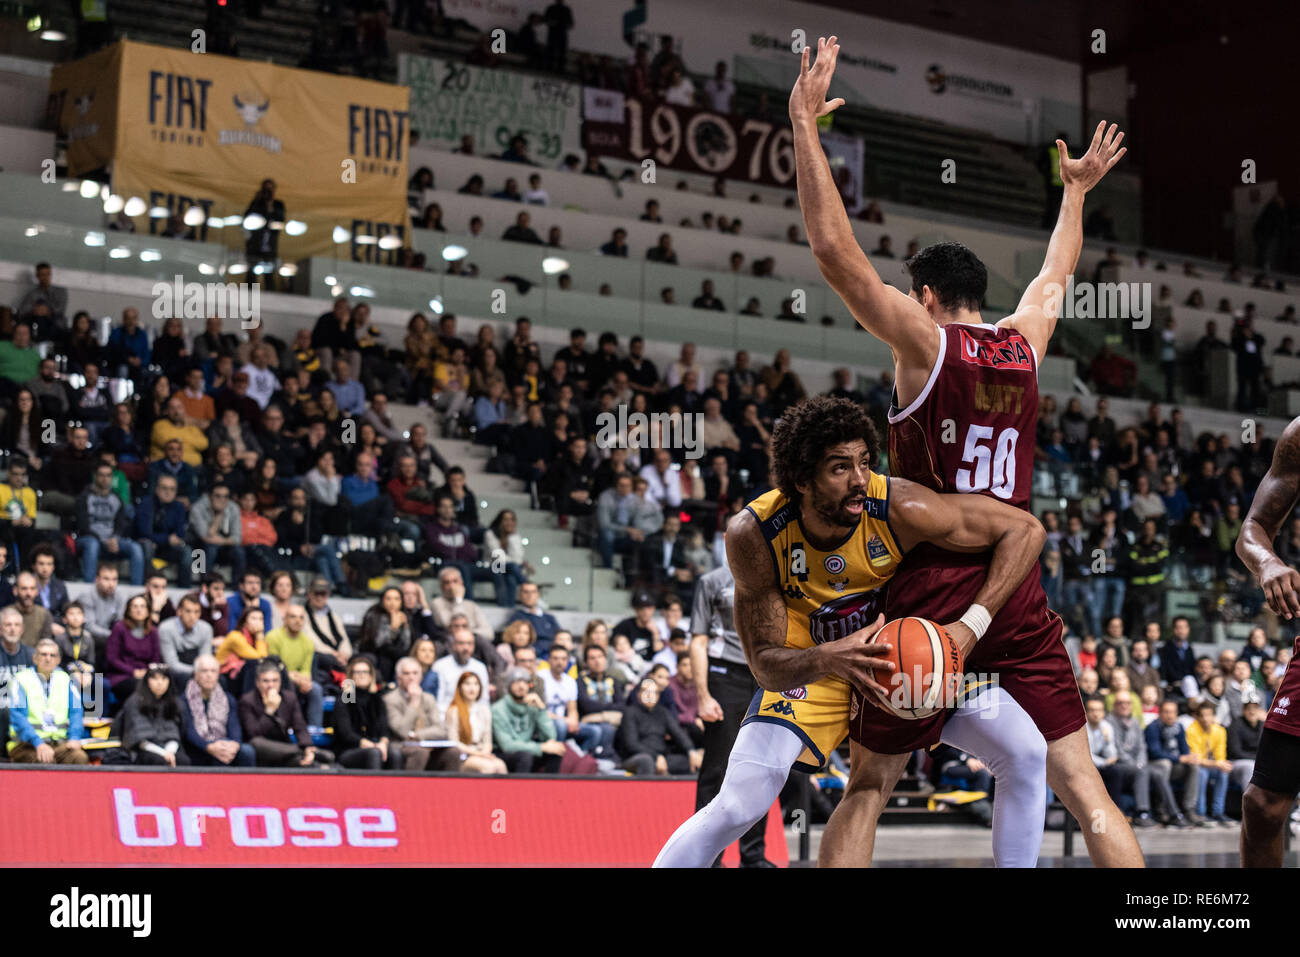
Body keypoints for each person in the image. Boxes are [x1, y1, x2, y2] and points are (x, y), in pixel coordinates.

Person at [790, 40, 1138, 868]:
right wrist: (1076, 194)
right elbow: (1056, 272)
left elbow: (837, 255)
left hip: (931, 580)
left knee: (870, 782)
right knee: (1083, 785)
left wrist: (805, 127)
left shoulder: (922, 340)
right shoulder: (1024, 341)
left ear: (927, 297)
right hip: (1015, 581)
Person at [654, 397, 1047, 869]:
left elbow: (1026, 530)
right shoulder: (754, 532)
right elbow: (763, 665)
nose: (859, 478)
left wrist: (970, 626)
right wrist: (827, 657)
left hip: (902, 662)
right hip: (811, 670)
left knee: (1026, 752)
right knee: (738, 804)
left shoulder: (898, 504)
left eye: (863, 462)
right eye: (840, 468)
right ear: (802, 479)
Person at [6, 637, 87, 764]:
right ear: (35, 658)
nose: (48, 658)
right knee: (44, 761)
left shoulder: (66, 679)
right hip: (27, 744)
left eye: (52, 655)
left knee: (79, 757)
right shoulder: (20, 679)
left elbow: (76, 712)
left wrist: (74, 737)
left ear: (58, 660)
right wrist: (38, 743)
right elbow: (18, 716)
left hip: (59, 744)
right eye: (43, 654)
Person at [238, 659, 333, 767]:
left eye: (275, 681)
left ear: (280, 682)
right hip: (262, 750)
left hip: (285, 749)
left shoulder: (289, 698)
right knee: (256, 743)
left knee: (304, 762)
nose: (271, 685)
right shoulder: (247, 701)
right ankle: (304, 752)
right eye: (266, 681)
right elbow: (253, 733)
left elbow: (300, 727)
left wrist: (307, 747)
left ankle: (308, 756)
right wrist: (269, 711)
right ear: (257, 683)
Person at [385, 656, 460, 772]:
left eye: (415, 673)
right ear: (399, 678)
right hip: (402, 746)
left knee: (453, 752)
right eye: (406, 674)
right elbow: (402, 731)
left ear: (420, 677)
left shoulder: (428, 698)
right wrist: (414, 704)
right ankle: (410, 788)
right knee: (420, 752)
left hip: (428, 743)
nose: (411, 677)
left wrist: (417, 735)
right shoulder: (390, 699)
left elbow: (441, 729)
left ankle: (450, 789)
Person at [180, 654, 254, 767]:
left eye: (213, 671)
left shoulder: (227, 699)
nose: (209, 675)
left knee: (247, 751)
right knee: (220, 754)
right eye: (204, 671)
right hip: (199, 747)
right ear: (196, 675)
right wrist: (208, 747)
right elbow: (189, 732)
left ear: (218, 675)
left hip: (223, 743)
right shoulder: (185, 699)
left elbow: (234, 726)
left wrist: (235, 744)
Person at [76, 462, 145, 585]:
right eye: (101, 475)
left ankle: (136, 589)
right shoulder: (84, 497)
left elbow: (120, 525)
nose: (105, 479)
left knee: (135, 548)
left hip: (111, 540)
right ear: (95, 476)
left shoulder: (117, 499)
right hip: (89, 539)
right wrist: (103, 540)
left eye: (108, 475)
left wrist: (115, 538)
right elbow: (83, 527)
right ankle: (88, 585)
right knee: (93, 544)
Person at [620, 677, 701, 775]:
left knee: (693, 761)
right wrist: (655, 756)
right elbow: (631, 744)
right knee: (646, 760)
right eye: (646, 691)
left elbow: (678, 733)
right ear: (638, 694)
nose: (650, 695)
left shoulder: (663, 712)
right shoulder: (630, 712)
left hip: (663, 757)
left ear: (658, 695)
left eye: (654, 692)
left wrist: (691, 750)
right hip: (635, 757)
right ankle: (646, 790)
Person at [332, 655, 402, 770]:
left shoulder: (377, 699)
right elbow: (346, 734)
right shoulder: (345, 699)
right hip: (349, 749)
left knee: (395, 754)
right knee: (374, 753)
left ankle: (397, 788)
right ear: (351, 676)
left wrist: (383, 743)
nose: (362, 675)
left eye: (365, 672)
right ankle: (374, 788)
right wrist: (372, 745)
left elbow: (384, 730)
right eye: (357, 672)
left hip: (375, 747)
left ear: (371, 676)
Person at [492, 667, 566, 773]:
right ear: (509, 685)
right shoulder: (498, 709)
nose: (521, 686)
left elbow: (550, 737)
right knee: (524, 757)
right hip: (504, 753)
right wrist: (540, 747)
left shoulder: (533, 705)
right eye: (516, 682)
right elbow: (507, 745)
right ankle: (520, 789)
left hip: (527, 749)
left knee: (555, 751)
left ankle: (550, 788)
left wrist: (541, 710)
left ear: (529, 685)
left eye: (524, 682)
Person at [265, 603, 323, 728]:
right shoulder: (273, 637)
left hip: (298, 681)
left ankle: (314, 730)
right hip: (278, 681)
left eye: (301, 617)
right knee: (288, 686)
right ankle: (288, 728)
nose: (298, 621)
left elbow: (306, 670)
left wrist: (305, 681)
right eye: (293, 617)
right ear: (285, 619)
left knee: (316, 689)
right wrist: (294, 677)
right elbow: (275, 668)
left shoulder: (308, 642)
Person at [120, 663, 188, 766]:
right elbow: (139, 740)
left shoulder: (175, 703)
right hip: (142, 750)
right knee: (157, 761)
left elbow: (176, 734)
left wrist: (170, 752)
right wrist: (164, 754)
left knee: (183, 761)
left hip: (170, 749)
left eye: (164, 678)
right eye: (155, 679)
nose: (160, 683)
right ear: (147, 681)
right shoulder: (134, 702)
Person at [444, 670, 508, 774]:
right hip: (464, 755)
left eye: (476, 684)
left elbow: (488, 740)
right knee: (488, 768)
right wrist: (477, 754)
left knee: (500, 766)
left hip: (482, 753)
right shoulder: (454, 711)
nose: (472, 688)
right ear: (460, 687)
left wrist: (484, 752)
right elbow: (454, 742)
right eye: (467, 684)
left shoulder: (484, 710)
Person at [105, 593, 161, 704]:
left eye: (142, 606)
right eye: (135, 606)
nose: (138, 610)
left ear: (148, 610)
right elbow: (112, 658)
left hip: (146, 674)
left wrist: (147, 672)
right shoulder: (119, 628)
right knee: (137, 687)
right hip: (122, 675)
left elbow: (156, 659)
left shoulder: (153, 631)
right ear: (128, 610)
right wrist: (133, 672)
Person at [1185, 700, 1234, 826]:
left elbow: (1220, 756)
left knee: (1223, 773)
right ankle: (1201, 813)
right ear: (1197, 717)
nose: (1206, 719)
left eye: (1209, 715)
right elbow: (1196, 759)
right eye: (1203, 715)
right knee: (1201, 773)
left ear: (1213, 716)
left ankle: (1218, 812)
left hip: (1211, 765)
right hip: (1197, 766)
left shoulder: (1220, 731)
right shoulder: (1191, 730)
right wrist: (1217, 764)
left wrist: (1221, 764)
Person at [432, 619, 490, 711]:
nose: (466, 648)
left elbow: (484, 700)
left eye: (469, 643)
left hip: (474, 717)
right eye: (461, 643)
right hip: (448, 715)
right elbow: (438, 701)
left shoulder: (480, 667)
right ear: (453, 645)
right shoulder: (440, 666)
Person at [158, 594, 215, 683]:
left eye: (196, 612)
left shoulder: (206, 629)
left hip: (199, 671)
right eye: (188, 611)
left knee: (220, 680)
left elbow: (205, 658)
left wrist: (203, 672)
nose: (192, 617)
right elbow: (172, 664)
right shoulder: (166, 628)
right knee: (183, 679)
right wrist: (197, 672)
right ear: (179, 611)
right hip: (176, 673)